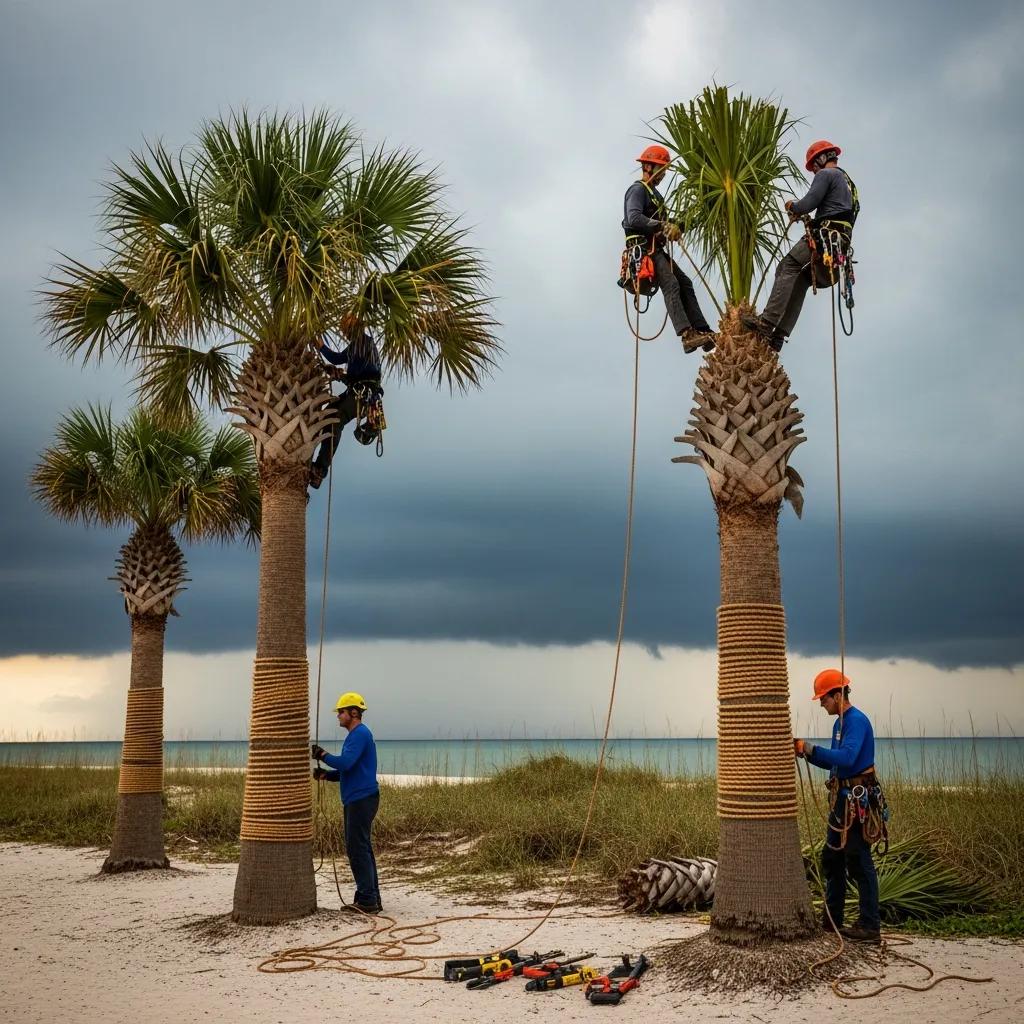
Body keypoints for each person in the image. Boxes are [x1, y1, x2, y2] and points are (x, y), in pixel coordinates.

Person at [742, 140, 859, 351]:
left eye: (814, 166)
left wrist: (792, 206)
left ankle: (767, 323)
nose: (814, 172)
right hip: (839, 244)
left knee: (787, 266)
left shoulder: (827, 175)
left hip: (825, 236)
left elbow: (807, 204)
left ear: (821, 159)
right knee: (804, 278)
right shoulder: (848, 182)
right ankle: (778, 336)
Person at [794, 668, 882, 944]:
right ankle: (832, 919)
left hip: (857, 801)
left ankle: (870, 926)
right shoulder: (839, 725)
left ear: (837, 694)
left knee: (859, 862)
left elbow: (846, 758)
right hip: (842, 801)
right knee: (832, 860)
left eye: (823, 698)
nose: (821, 703)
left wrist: (810, 748)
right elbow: (835, 763)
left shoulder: (856, 722)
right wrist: (806, 753)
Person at [622, 145, 716, 353]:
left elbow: (664, 221)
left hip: (656, 249)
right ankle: (686, 335)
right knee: (671, 284)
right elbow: (634, 218)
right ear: (648, 166)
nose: (663, 174)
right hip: (644, 249)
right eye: (661, 169)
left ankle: (702, 330)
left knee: (685, 283)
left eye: (664, 170)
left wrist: (687, 221)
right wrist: (663, 226)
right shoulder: (637, 190)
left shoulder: (656, 196)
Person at [311, 691, 382, 914]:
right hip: (360, 798)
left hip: (361, 800)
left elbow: (347, 763)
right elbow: (349, 771)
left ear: (353, 712)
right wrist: (326, 775)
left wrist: (322, 755)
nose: (338, 716)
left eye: (341, 712)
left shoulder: (359, 734)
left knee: (357, 849)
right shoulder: (356, 735)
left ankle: (368, 901)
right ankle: (370, 897)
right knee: (363, 849)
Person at [309, 318, 383, 488]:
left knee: (334, 418)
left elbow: (337, 358)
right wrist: (338, 375)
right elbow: (355, 376)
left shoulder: (363, 342)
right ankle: (313, 463)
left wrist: (320, 345)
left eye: (346, 329)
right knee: (327, 416)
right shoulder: (361, 346)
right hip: (360, 393)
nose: (344, 333)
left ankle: (319, 469)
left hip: (363, 395)